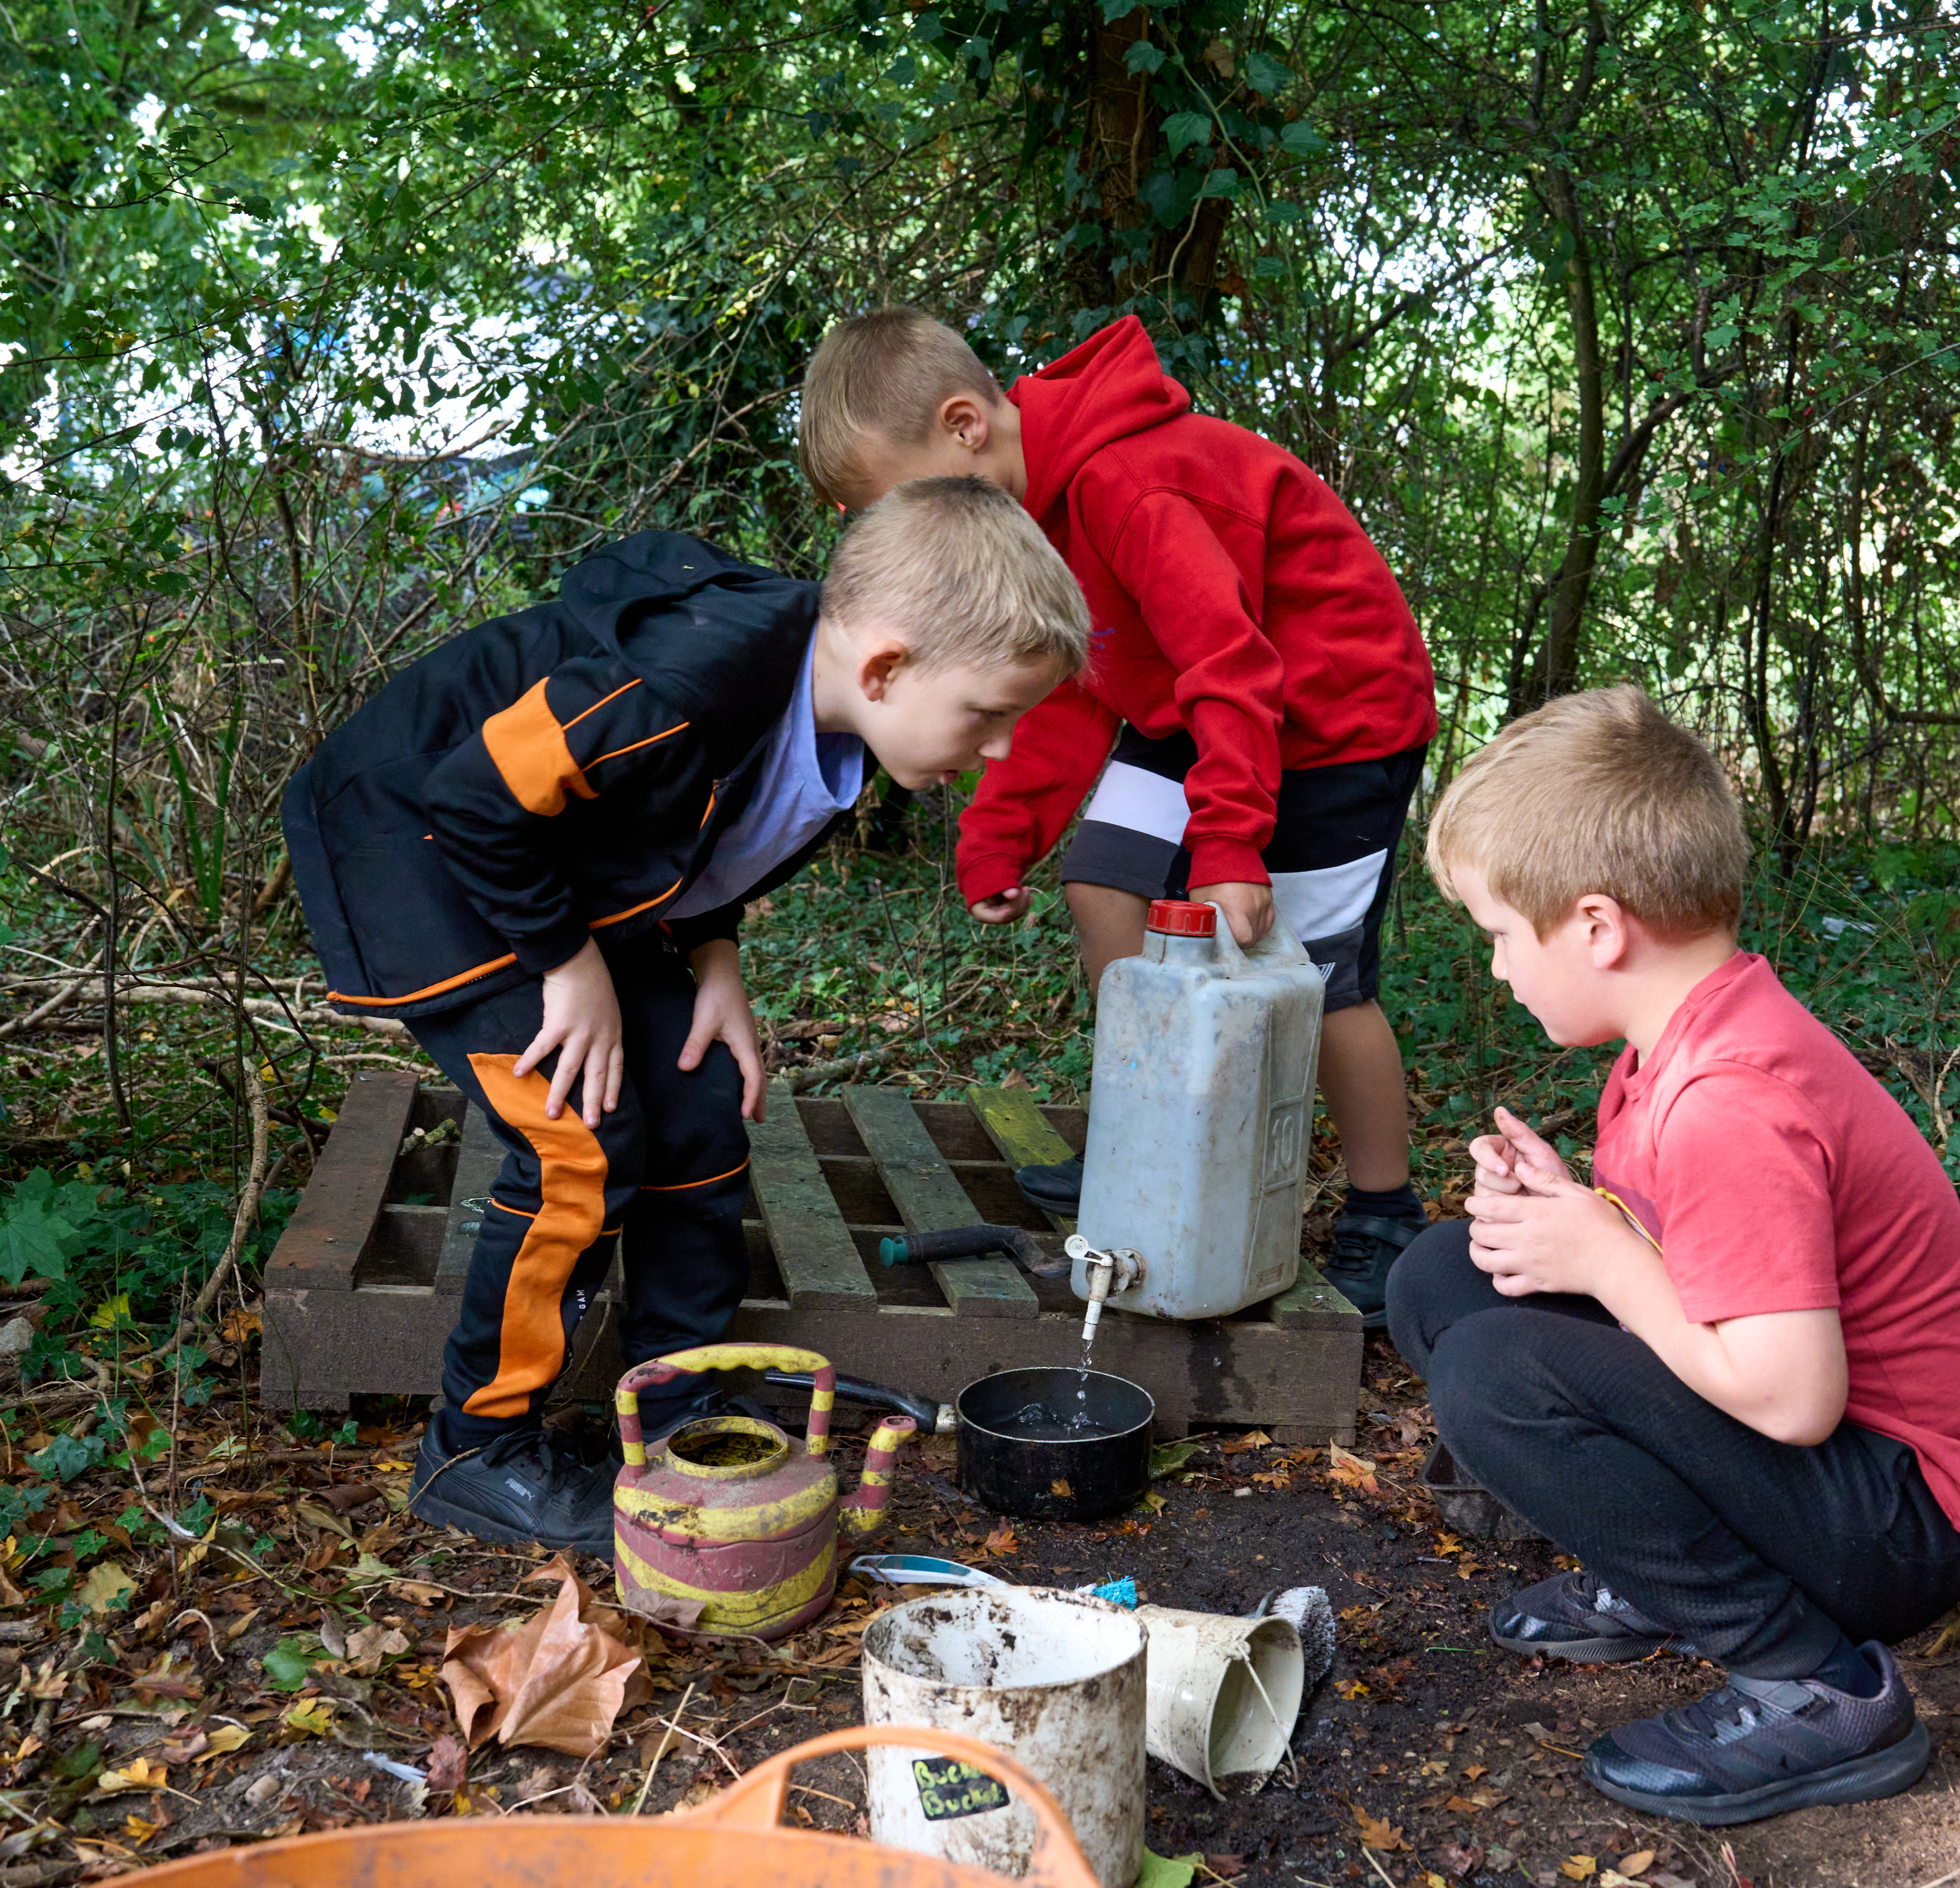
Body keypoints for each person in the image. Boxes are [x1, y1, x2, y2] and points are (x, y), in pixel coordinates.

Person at [281, 478, 1087, 1556]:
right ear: (889, 666)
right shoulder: (688, 683)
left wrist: (714, 957)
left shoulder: (840, 721)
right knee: (578, 1137)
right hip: (421, 849)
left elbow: (707, 830)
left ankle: (675, 1395)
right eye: (990, 713)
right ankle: (477, 1448)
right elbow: (476, 798)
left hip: (551, 872)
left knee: (701, 1092)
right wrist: (571, 968)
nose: (998, 750)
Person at [1388, 686, 1960, 1825]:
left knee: (1495, 1373)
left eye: (1498, 935)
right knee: (1446, 1277)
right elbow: (1700, 1268)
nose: (1496, 970)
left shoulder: (1730, 1100)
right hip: (1834, 1479)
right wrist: (1573, 1220)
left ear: (1597, 925)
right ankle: (1658, 1580)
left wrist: (1603, 1257)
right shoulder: (1686, 1045)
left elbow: (1792, 1401)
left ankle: (1815, 1682)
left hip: (1893, 1520)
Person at [795, 309, 1441, 1326]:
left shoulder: (1129, 484)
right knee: (1105, 878)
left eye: (915, 500)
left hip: (1334, 718)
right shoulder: (1030, 518)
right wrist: (1001, 832)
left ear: (966, 426)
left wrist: (1231, 845)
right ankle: (1157, 1126)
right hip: (1194, 705)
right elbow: (1074, 690)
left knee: (1318, 971)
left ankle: (1385, 1209)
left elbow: (1235, 666)